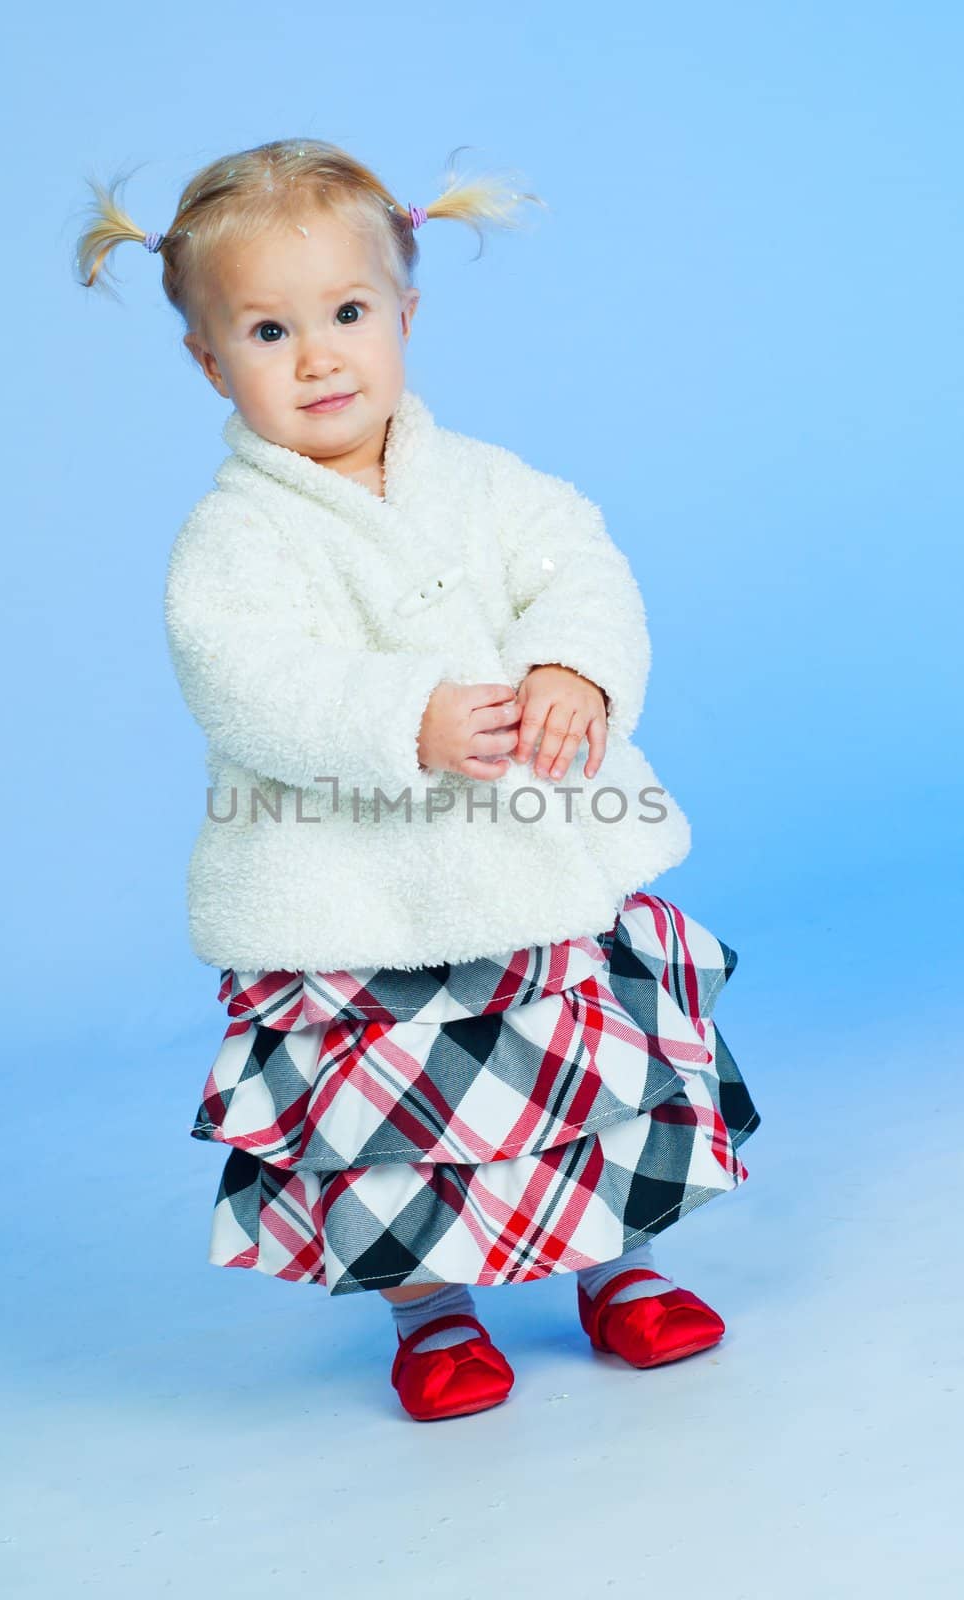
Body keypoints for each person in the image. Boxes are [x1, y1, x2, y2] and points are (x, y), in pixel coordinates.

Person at [74, 137, 760, 1424]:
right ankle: (431, 1308)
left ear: (405, 313)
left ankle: (618, 1266)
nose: (319, 356)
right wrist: (407, 715)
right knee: (397, 1115)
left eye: (346, 314)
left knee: (583, 1074)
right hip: (356, 889)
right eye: (269, 330)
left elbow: (584, 573)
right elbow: (247, 679)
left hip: (531, 864)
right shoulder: (235, 539)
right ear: (207, 358)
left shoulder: (491, 485)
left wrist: (574, 670)